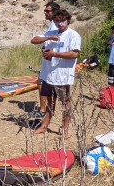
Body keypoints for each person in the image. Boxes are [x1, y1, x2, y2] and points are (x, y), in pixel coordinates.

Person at [32, 9, 82, 138]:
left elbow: (74, 54)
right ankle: (44, 126)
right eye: (57, 21)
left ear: (68, 21)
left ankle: (65, 129)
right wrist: (48, 39)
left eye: (62, 21)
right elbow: (34, 40)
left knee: (65, 103)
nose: (60, 24)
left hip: (62, 76)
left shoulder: (73, 35)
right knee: (50, 102)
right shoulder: (51, 33)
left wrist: (54, 54)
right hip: (49, 74)